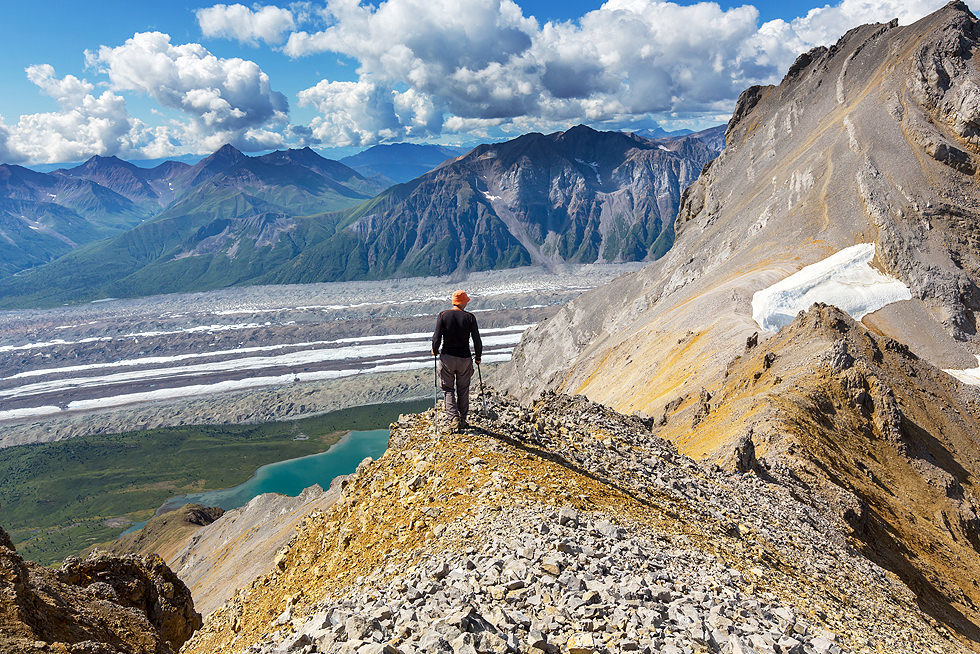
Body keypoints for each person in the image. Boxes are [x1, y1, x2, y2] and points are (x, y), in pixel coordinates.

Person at [431, 290, 482, 431]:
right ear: (463, 302)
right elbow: (477, 340)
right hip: (465, 359)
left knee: (448, 388)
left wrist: (434, 350)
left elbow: (436, 337)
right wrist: (478, 357)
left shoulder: (443, 315)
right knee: (463, 389)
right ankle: (463, 419)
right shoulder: (470, 317)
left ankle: (453, 418)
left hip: (447, 358)